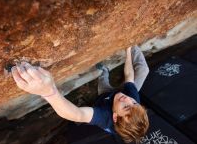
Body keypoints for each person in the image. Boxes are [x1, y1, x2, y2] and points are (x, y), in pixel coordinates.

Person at [11, 46, 149, 143]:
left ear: (114, 117)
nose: (128, 100)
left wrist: (49, 92)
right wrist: (128, 49)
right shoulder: (132, 100)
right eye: (134, 103)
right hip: (113, 99)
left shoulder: (104, 117)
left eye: (126, 107)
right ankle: (124, 53)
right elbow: (130, 76)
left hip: (105, 98)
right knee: (142, 72)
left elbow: (77, 114)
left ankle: (104, 71)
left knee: (103, 82)